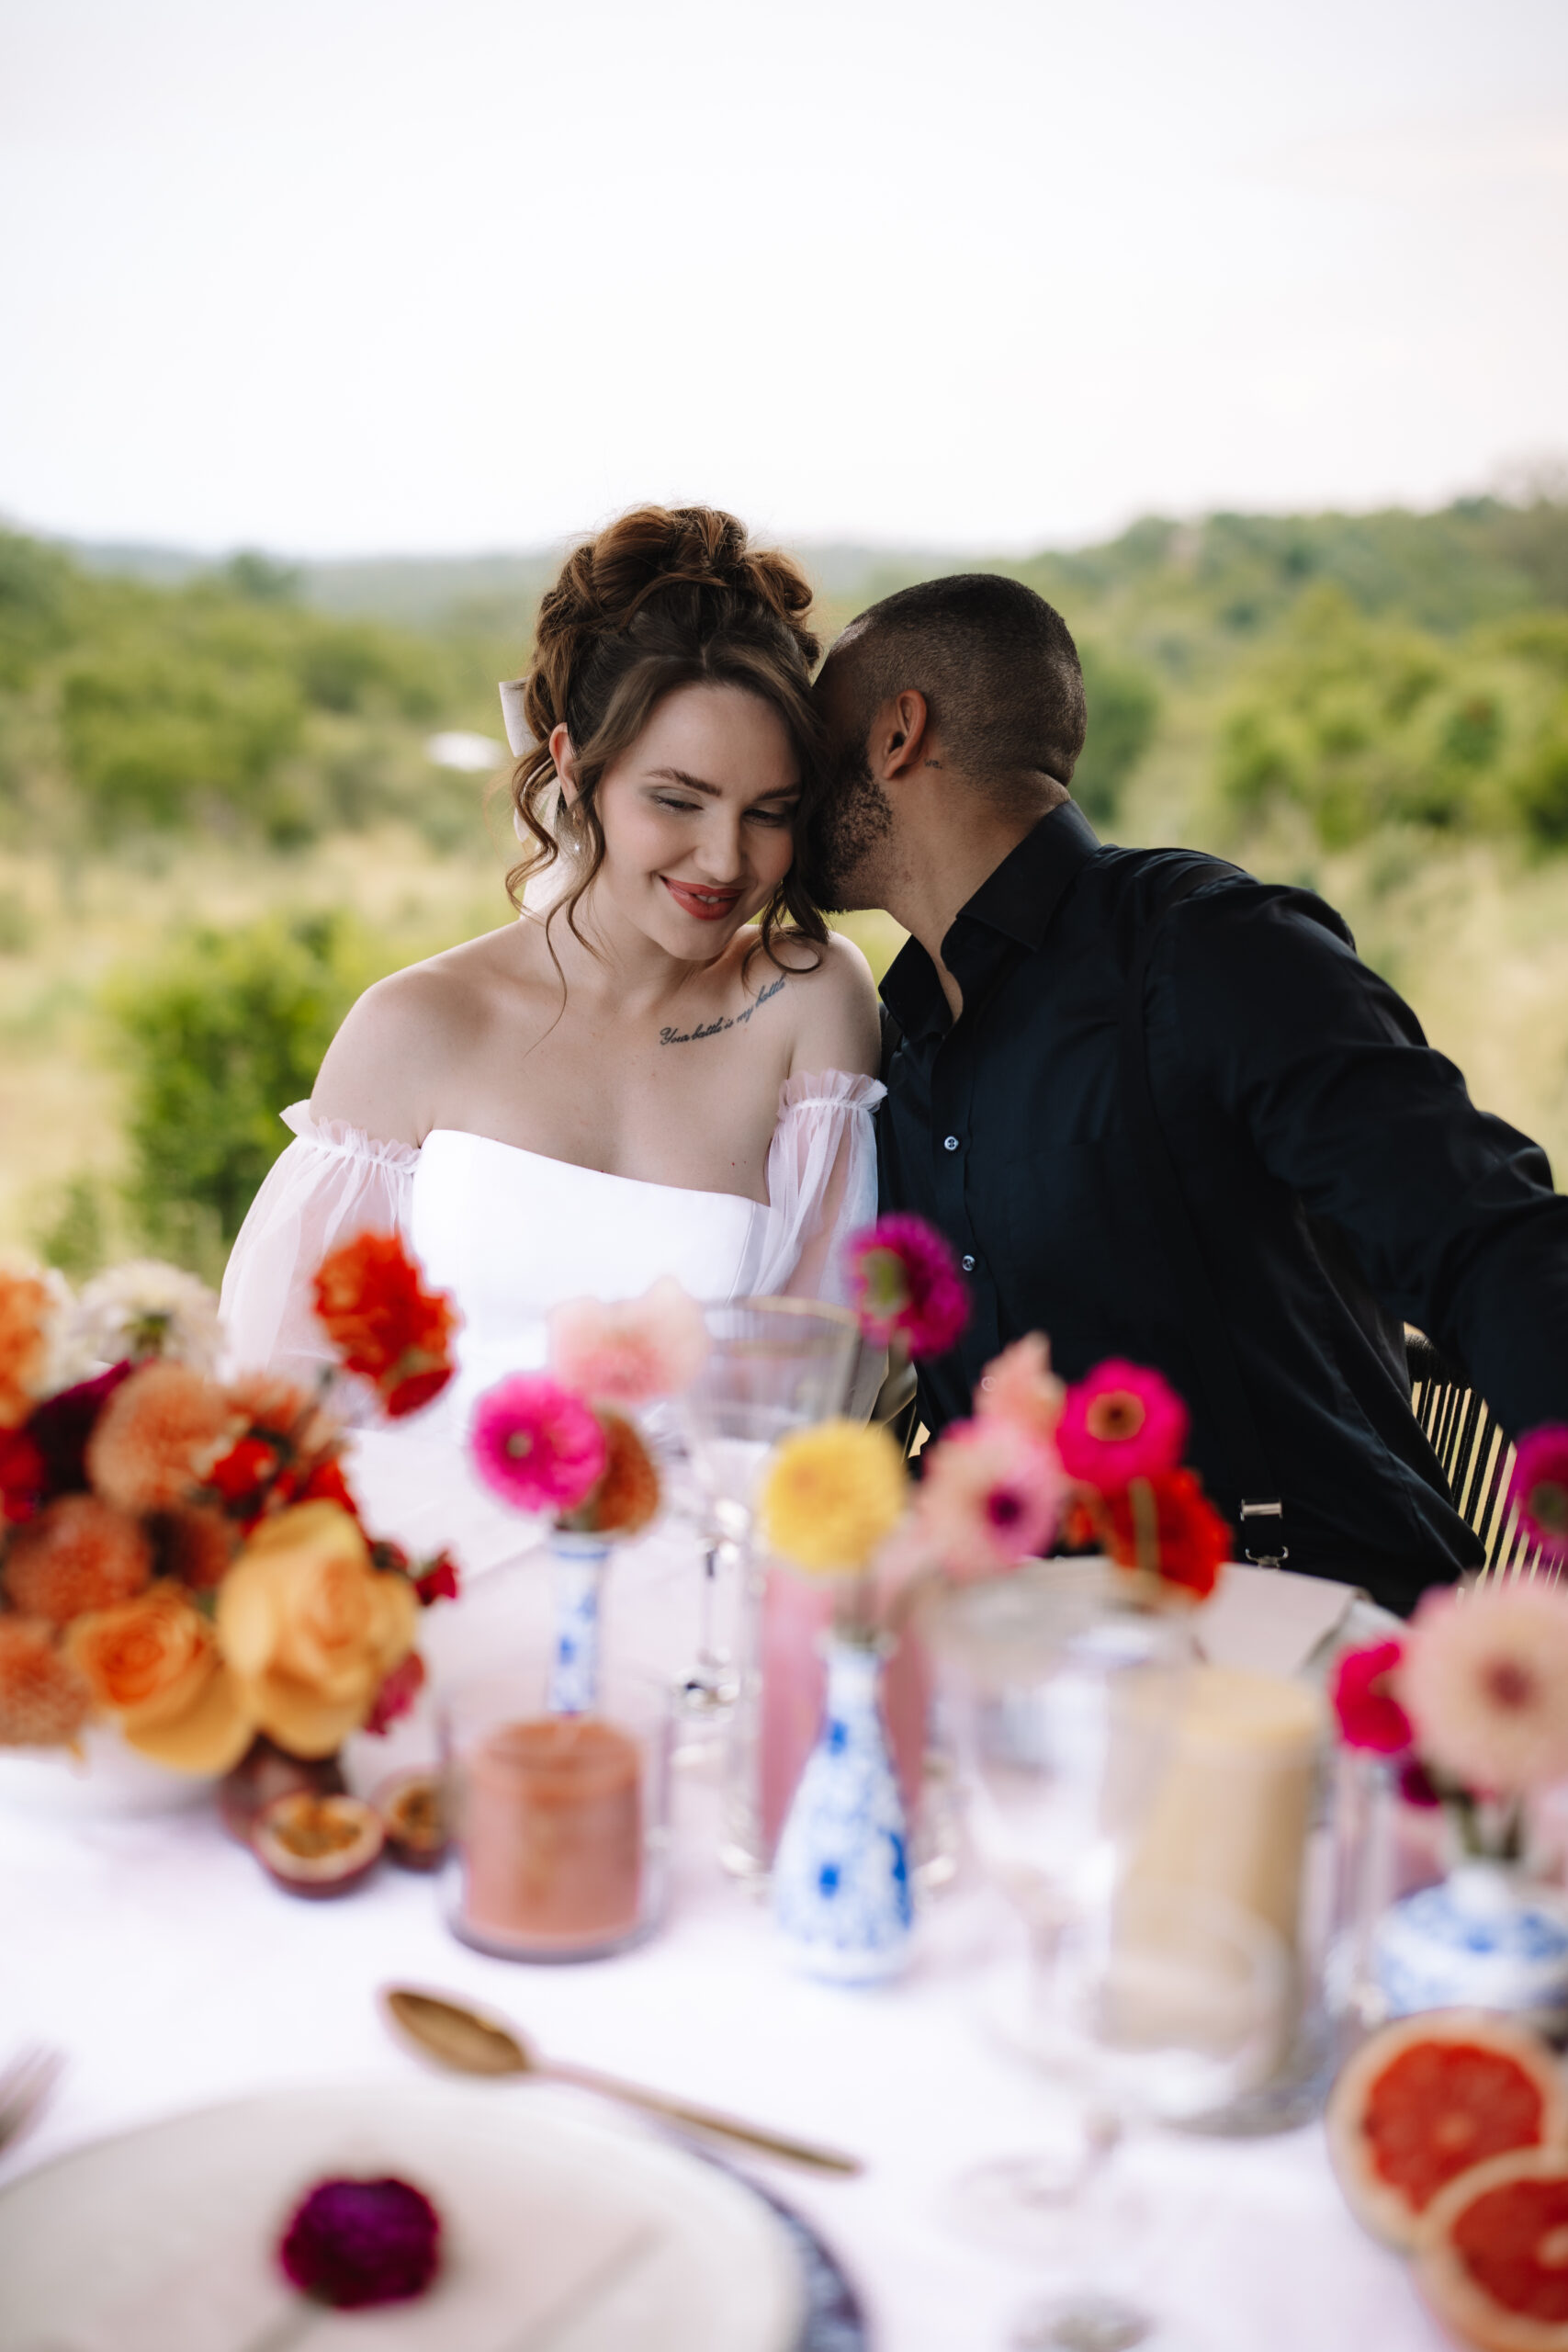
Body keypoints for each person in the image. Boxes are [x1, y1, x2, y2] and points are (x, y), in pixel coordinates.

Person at [804, 571, 1568, 1617]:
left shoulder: (1211, 951)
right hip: (1030, 1654)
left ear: (899, 734)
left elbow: (1492, 1241)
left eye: (816, 735)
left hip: (1303, 1623)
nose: (789, 781)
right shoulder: (892, 1046)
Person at [221, 506, 882, 1571]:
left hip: (703, 1587)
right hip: (425, 1580)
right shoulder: (416, 1027)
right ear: (573, 765)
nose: (725, 857)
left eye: (771, 810)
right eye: (678, 798)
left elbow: (820, 1380)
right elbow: (289, 1387)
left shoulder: (807, 1002)